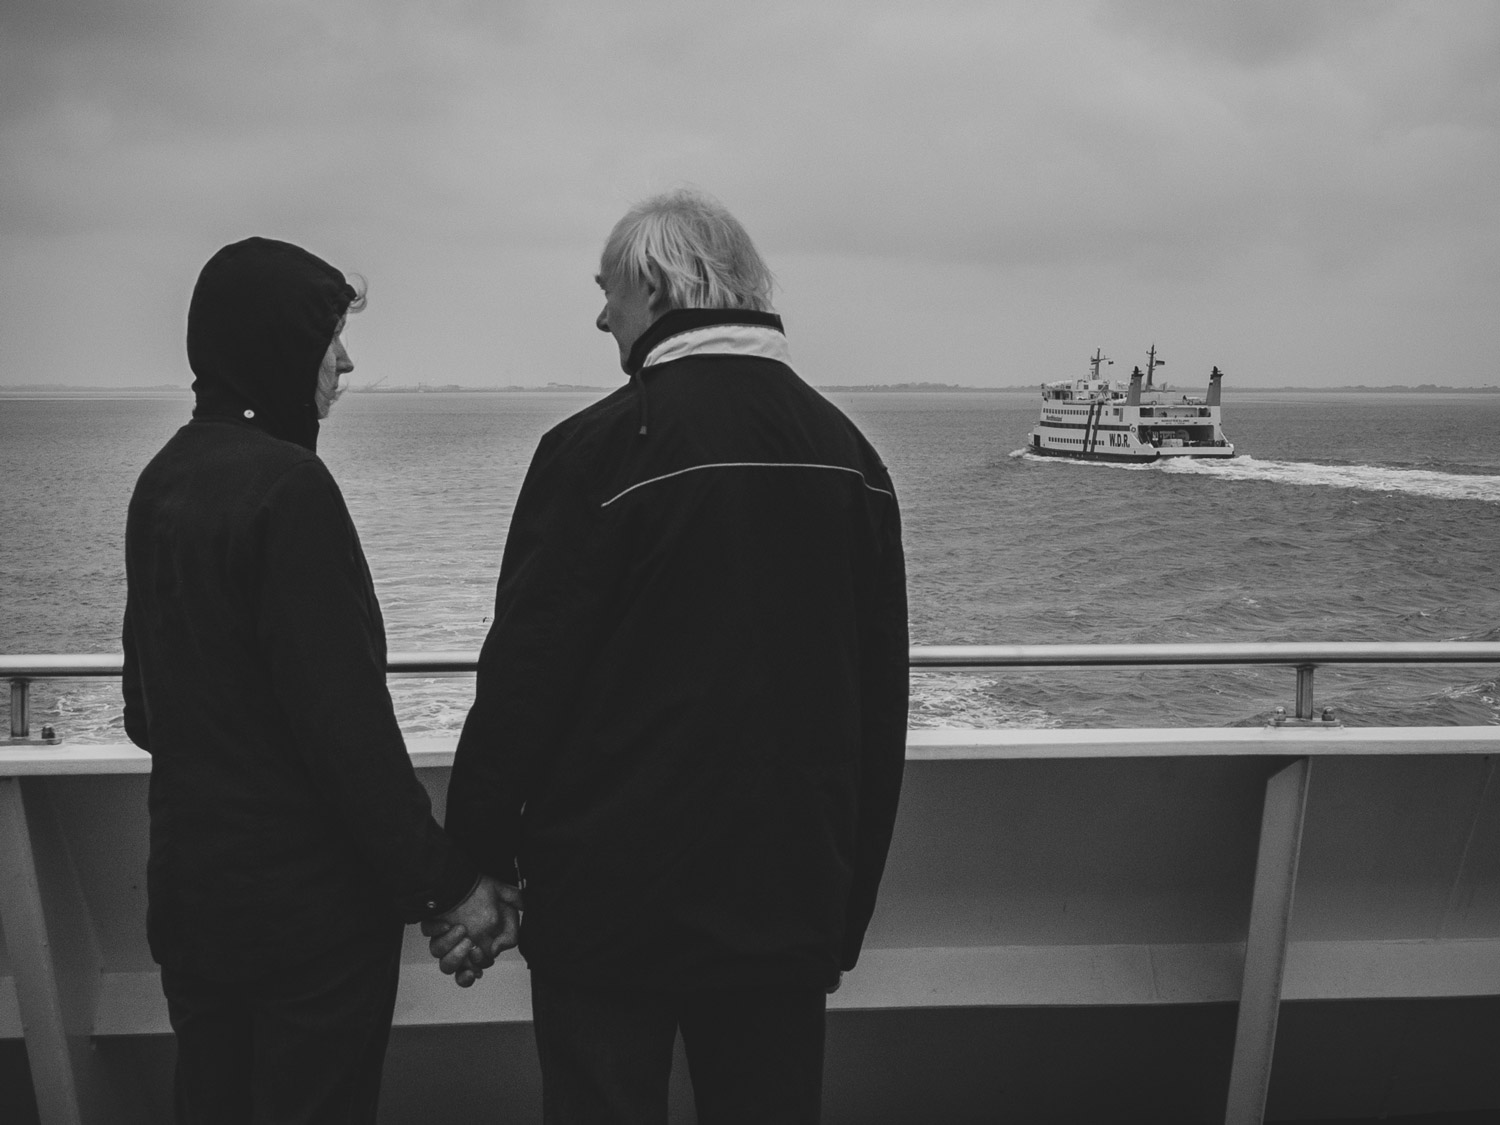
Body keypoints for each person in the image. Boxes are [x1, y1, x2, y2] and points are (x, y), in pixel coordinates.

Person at [433, 190, 909, 1123]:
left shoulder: (593, 453)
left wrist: (476, 865)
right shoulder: (852, 457)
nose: (601, 316)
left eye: (607, 290)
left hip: (606, 910)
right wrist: (841, 913)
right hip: (786, 904)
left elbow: (522, 683)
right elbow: (878, 704)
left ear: (657, 287)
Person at [122, 237, 520, 1124]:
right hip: (304, 928)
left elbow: (144, 712)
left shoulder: (161, 481)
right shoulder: (290, 488)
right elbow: (347, 737)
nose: (345, 361)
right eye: (327, 337)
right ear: (275, 345)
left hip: (193, 907)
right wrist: (453, 885)